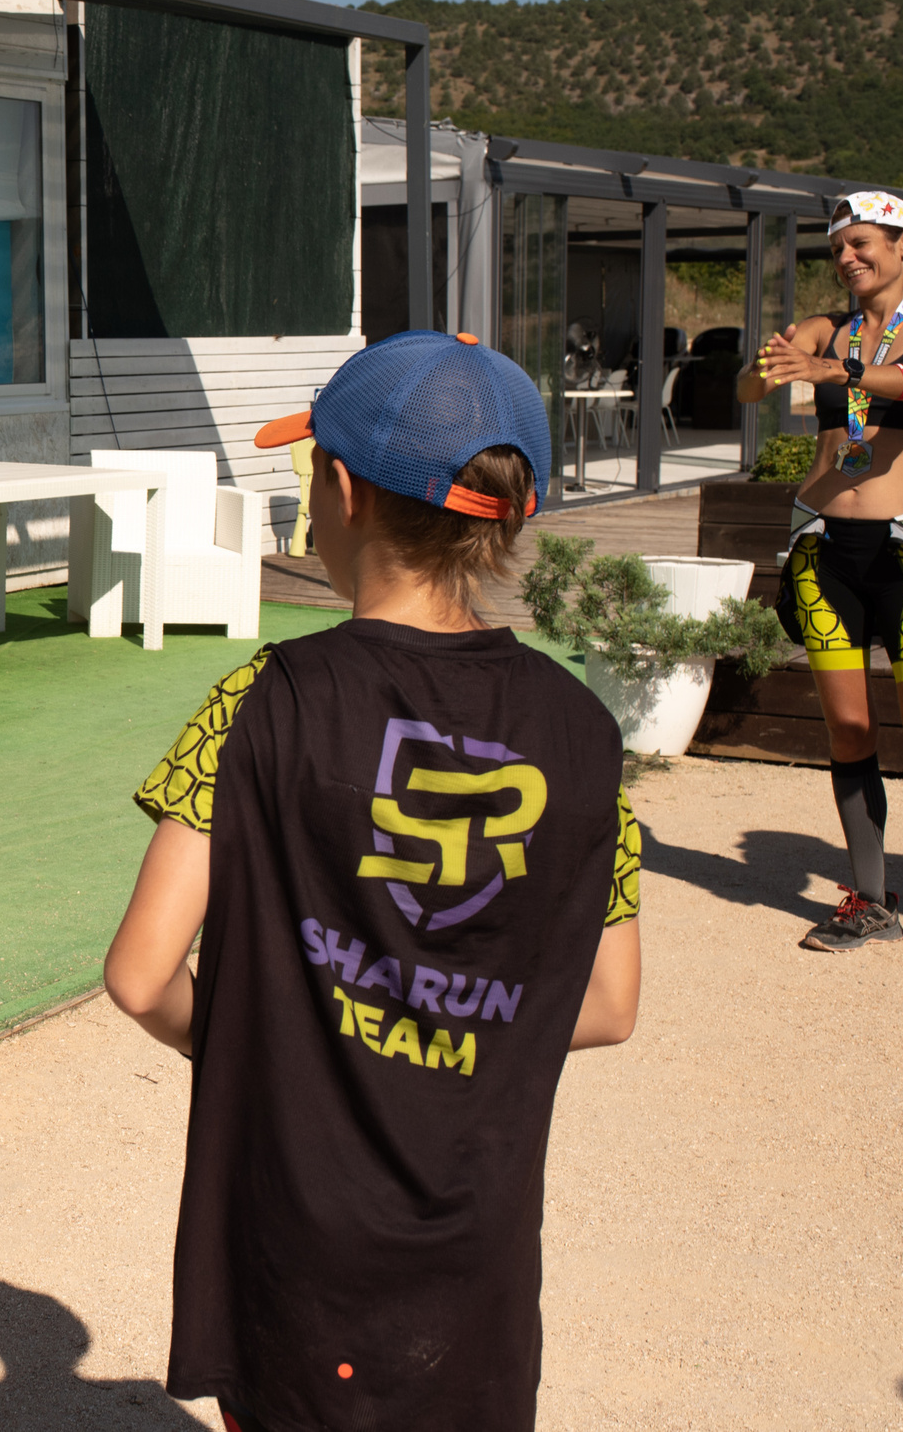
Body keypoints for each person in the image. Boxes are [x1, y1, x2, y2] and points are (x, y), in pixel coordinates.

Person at [104, 331, 641, 1432]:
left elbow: (140, 974)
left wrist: (274, 1040)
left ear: (338, 489)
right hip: (475, 1248)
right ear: (515, 515)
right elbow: (606, 1004)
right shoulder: (584, 733)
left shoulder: (263, 697)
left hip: (297, 1223)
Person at [740, 191, 903, 963]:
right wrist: (763, 374)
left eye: (863, 242)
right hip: (822, 546)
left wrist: (832, 368)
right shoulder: (823, 326)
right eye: (838, 246)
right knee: (846, 728)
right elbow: (756, 382)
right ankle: (872, 901)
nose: (847, 257)